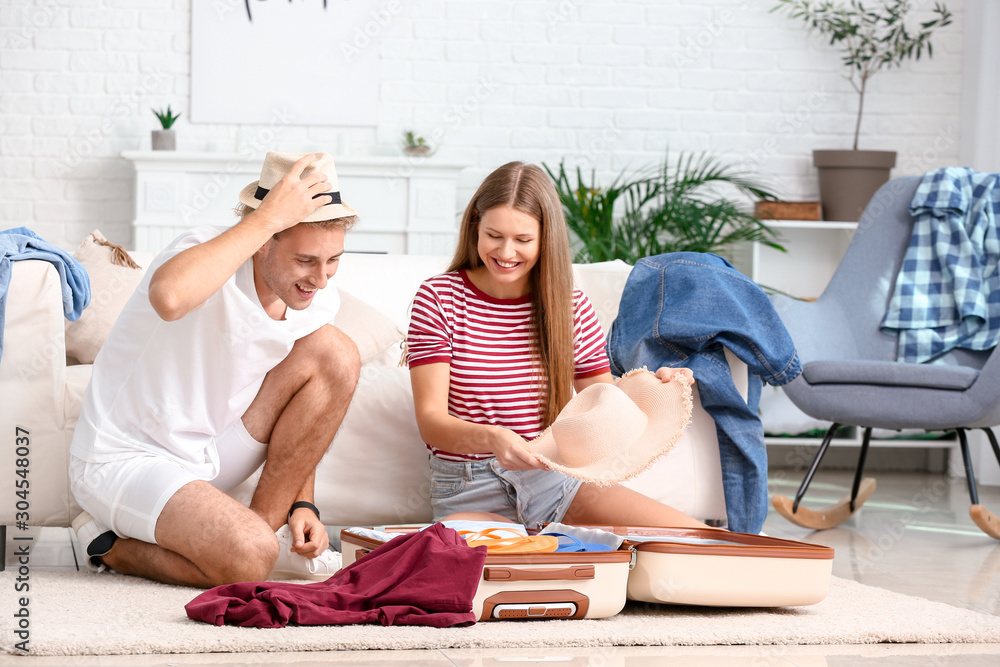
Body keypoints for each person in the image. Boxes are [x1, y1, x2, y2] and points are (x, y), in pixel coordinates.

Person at [69, 151, 361, 588]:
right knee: (248, 559)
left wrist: (304, 505)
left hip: (212, 448)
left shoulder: (315, 297)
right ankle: (105, 543)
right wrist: (267, 218)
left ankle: (264, 531)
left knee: (337, 353)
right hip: (126, 458)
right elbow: (168, 298)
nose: (320, 279)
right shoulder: (202, 251)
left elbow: (304, 415)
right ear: (265, 238)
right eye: (305, 261)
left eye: (332, 260)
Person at [406, 161, 710, 529]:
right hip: (469, 485)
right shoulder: (438, 298)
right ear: (475, 228)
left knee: (696, 539)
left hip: (555, 480)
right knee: (497, 570)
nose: (505, 252)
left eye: (522, 240)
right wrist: (494, 437)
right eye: (493, 235)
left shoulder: (569, 306)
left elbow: (602, 401)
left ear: (545, 238)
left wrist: (655, 389)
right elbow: (431, 422)